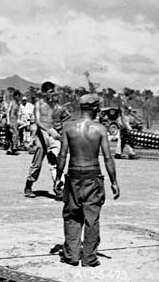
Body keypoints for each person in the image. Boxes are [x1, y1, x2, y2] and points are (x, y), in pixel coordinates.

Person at [56, 94, 120, 267]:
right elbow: (108, 158)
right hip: (93, 176)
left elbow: (62, 155)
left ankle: (72, 255)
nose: (100, 109)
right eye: (98, 107)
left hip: (73, 175)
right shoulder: (100, 129)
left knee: (71, 215)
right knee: (92, 217)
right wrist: (114, 181)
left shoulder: (68, 127)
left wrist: (57, 178)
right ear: (93, 108)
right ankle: (89, 257)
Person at [24, 81, 71, 199]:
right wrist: (49, 130)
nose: (53, 94)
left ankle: (58, 188)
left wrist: (59, 128)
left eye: (53, 91)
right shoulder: (39, 104)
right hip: (41, 137)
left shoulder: (56, 105)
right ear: (44, 93)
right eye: (50, 92)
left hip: (52, 137)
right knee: (37, 164)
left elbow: (66, 117)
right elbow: (38, 122)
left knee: (55, 162)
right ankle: (28, 186)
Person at [5, 90, 22, 155]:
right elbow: (8, 112)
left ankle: (10, 149)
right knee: (14, 134)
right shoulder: (12, 102)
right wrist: (8, 120)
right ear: (15, 96)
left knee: (15, 135)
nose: (18, 97)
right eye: (18, 96)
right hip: (11, 120)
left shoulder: (18, 104)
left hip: (15, 121)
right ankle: (14, 148)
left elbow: (17, 113)